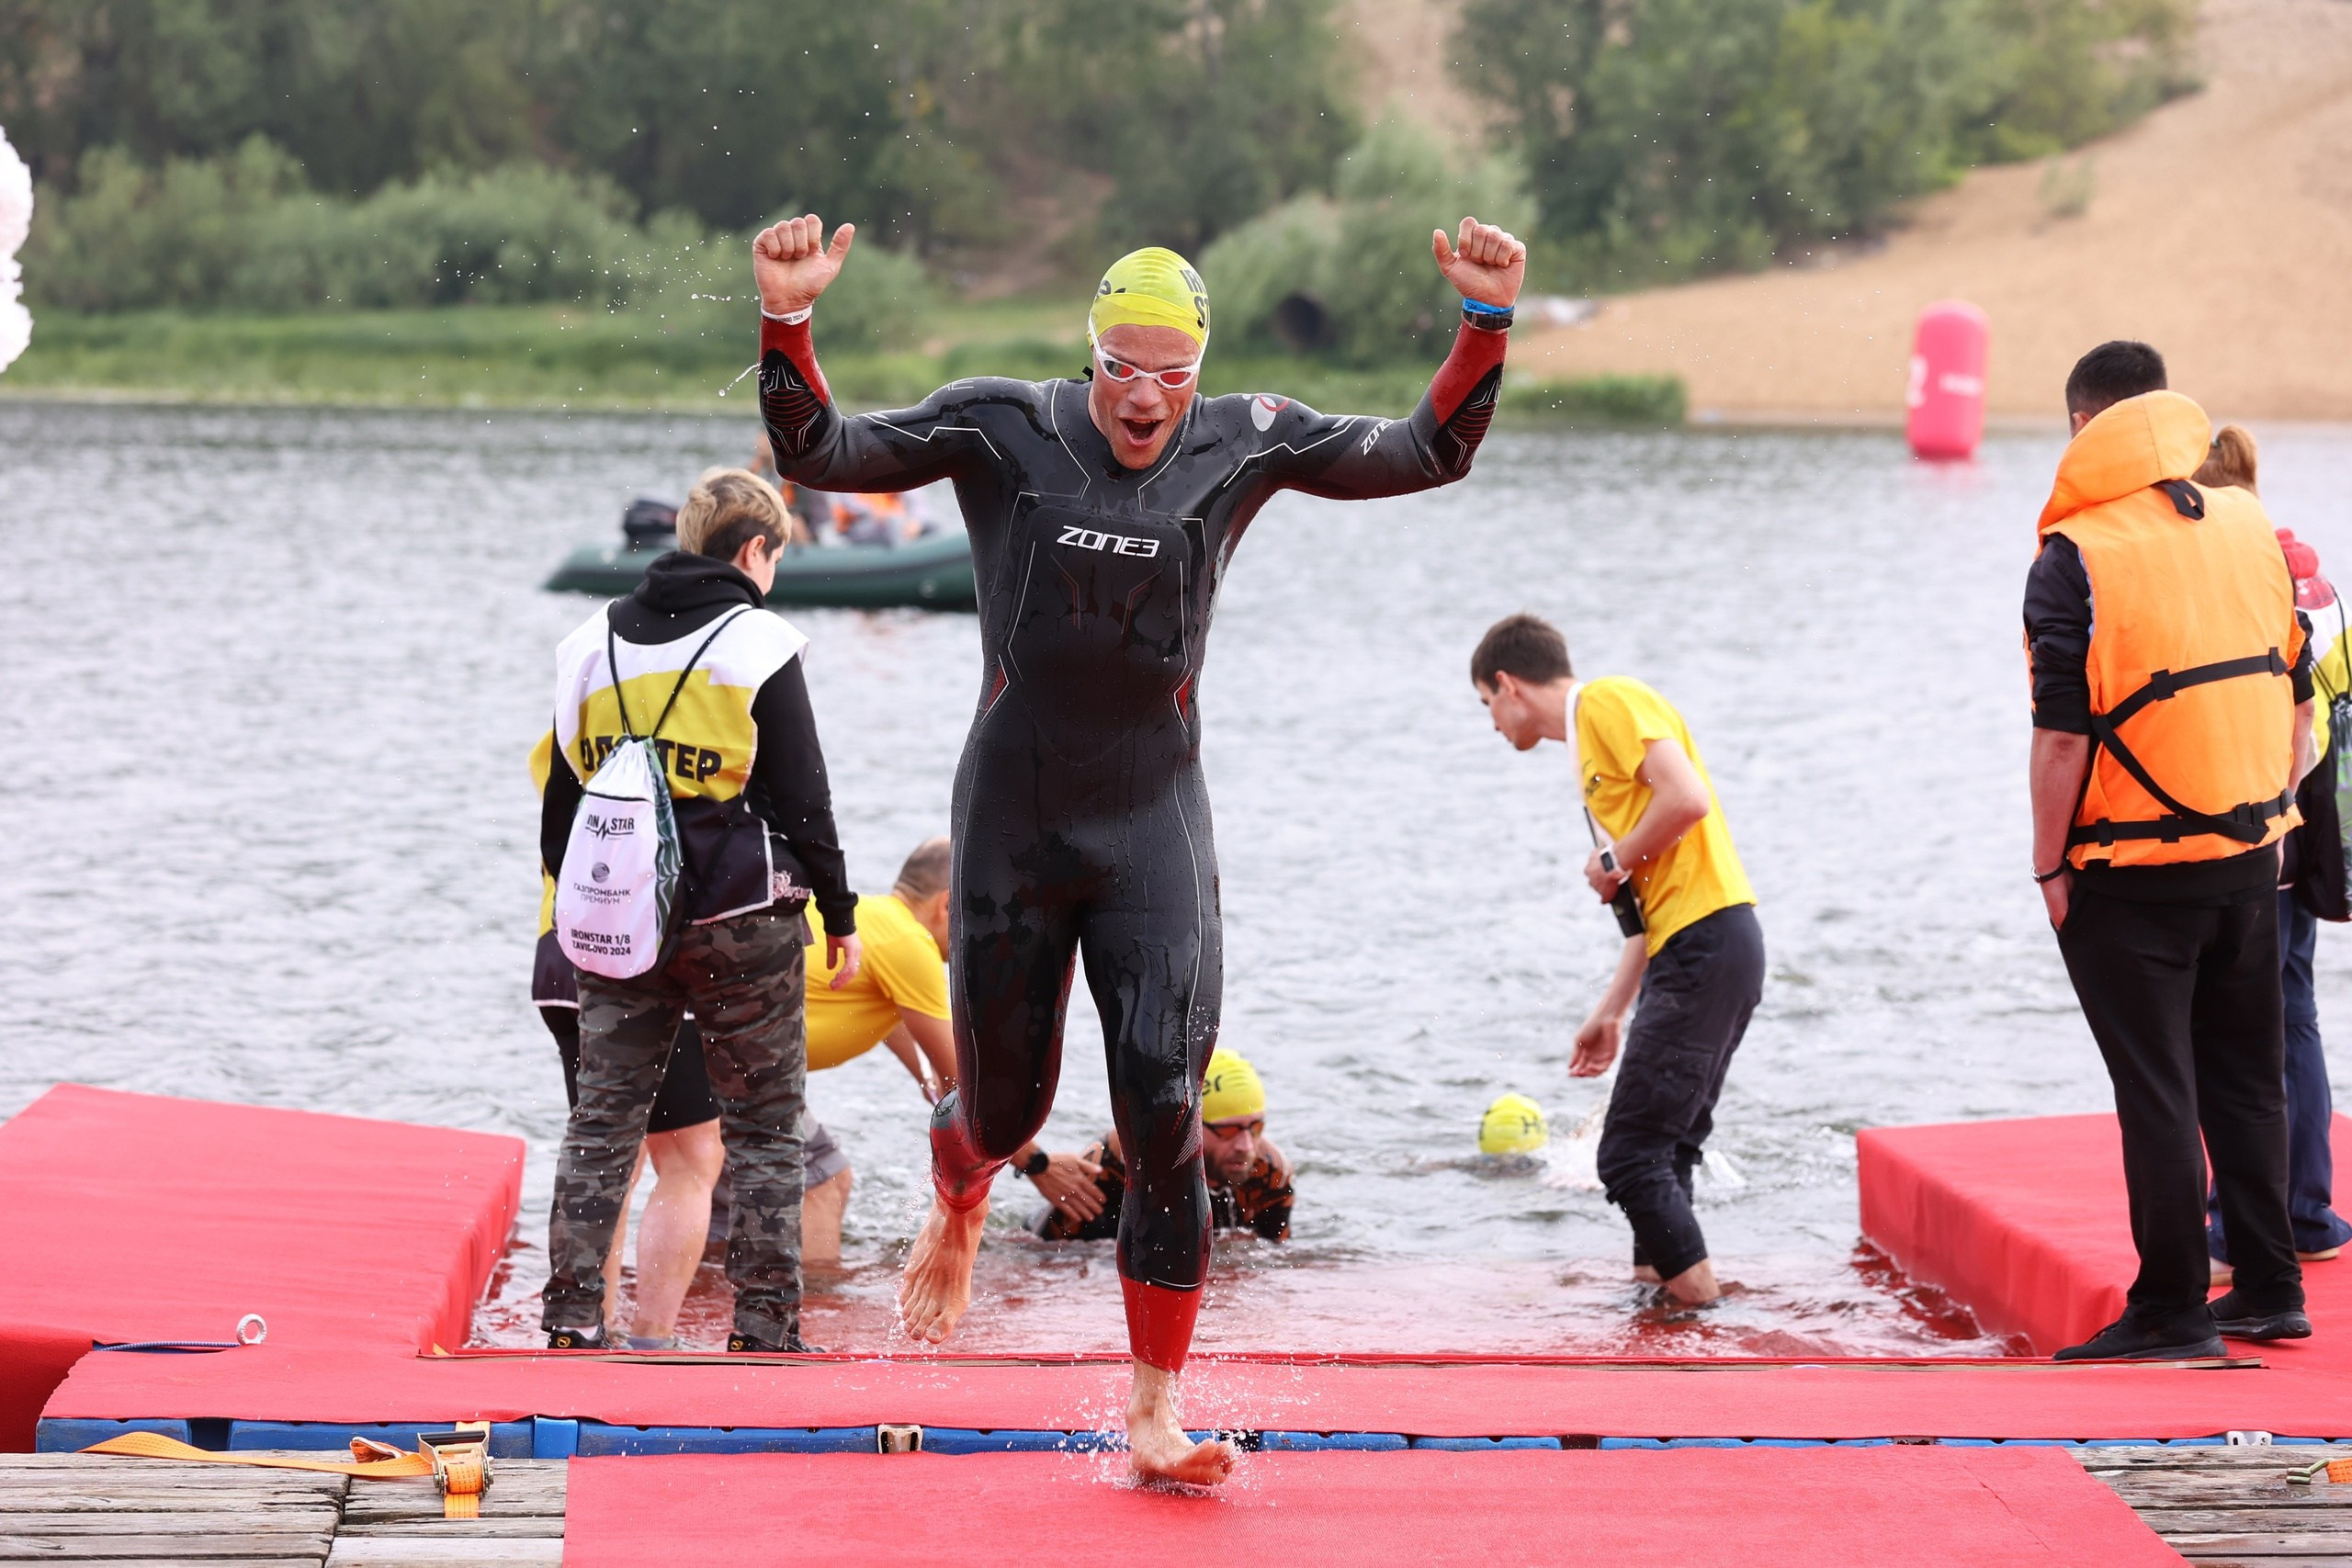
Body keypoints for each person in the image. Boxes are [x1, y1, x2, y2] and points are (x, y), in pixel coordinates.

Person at [753, 209, 1524, 1483]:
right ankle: (958, 1186)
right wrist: (788, 315)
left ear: (1201, 374)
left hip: (1152, 819)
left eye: (1173, 374)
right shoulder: (1002, 425)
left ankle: (1154, 1411)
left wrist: (1484, 321)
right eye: (1124, 367)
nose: (1146, 397)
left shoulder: (1246, 440)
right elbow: (821, 448)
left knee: (1163, 1110)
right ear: (1091, 354)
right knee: (1008, 1110)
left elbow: (1429, 449)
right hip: (1013, 814)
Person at [2025, 342, 2317, 1359]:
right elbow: (2295, 692)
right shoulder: (2248, 524)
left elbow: (2062, 732)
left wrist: (2047, 866)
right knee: (2247, 1079)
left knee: (2157, 1088)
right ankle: (2272, 1289)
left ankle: (2172, 1311)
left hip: (2128, 871)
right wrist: (2274, 818)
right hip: (2249, 856)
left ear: (2080, 429)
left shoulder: (2075, 554)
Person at [539, 467, 863, 1354]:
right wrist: (839, 913)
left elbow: (563, 805)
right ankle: (763, 1331)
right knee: (763, 1131)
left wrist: (577, 916)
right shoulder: (757, 641)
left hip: (617, 919)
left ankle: (571, 1319)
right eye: (777, 557)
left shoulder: (586, 643)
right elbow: (804, 797)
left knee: (602, 1124)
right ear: (755, 550)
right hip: (740, 917)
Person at [1471, 614, 1763, 1306]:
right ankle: (1660, 1298)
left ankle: (1703, 1310)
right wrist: (1608, 1014)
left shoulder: (1604, 700)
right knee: (1667, 1149)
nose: (1492, 724)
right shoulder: (1591, 767)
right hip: (1699, 943)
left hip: (1709, 935)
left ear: (1509, 685)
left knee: (1627, 1155)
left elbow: (1687, 799)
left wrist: (1614, 856)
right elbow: (1641, 923)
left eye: (1486, 704)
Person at [2189, 427, 2352, 1281]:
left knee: (2231, 1030)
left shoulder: (2237, 576)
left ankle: (2230, 1226)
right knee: (2296, 1015)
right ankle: (2311, 1209)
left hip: (2252, 827)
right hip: (2313, 826)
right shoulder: (2316, 578)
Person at [793, 835, 963, 1264]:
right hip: (736, 1068)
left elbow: (889, 1014)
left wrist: (924, 1080)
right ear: (947, 905)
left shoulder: (870, 918)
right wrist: (1037, 1165)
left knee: (724, 1190)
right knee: (823, 1182)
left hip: (703, 1050)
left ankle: (704, 1296)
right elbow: (965, 1086)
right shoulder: (910, 945)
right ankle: (819, 1304)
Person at [1034, 1048, 1295, 1243]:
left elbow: (1276, 1257)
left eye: (1256, 1127)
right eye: (1228, 1131)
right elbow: (1049, 1252)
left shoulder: (1271, 1172)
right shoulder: (1118, 1163)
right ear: (1190, 1124)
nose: (1246, 1145)